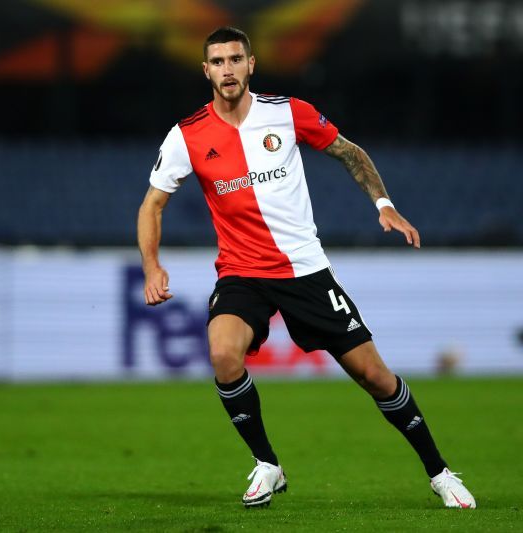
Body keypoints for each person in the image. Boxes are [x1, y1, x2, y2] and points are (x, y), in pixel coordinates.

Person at [136, 26, 476, 510]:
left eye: (236, 59)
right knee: (223, 355)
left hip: (305, 271)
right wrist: (152, 266)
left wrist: (383, 203)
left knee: (375, 377)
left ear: (251, 64)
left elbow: (348, 151)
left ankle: (439, 472)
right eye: (218, 61)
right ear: (206, 70)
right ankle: (267, 464)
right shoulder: (187, 135)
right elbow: (152, 205)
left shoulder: (287, 112)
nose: (227, 69)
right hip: (242, 272)